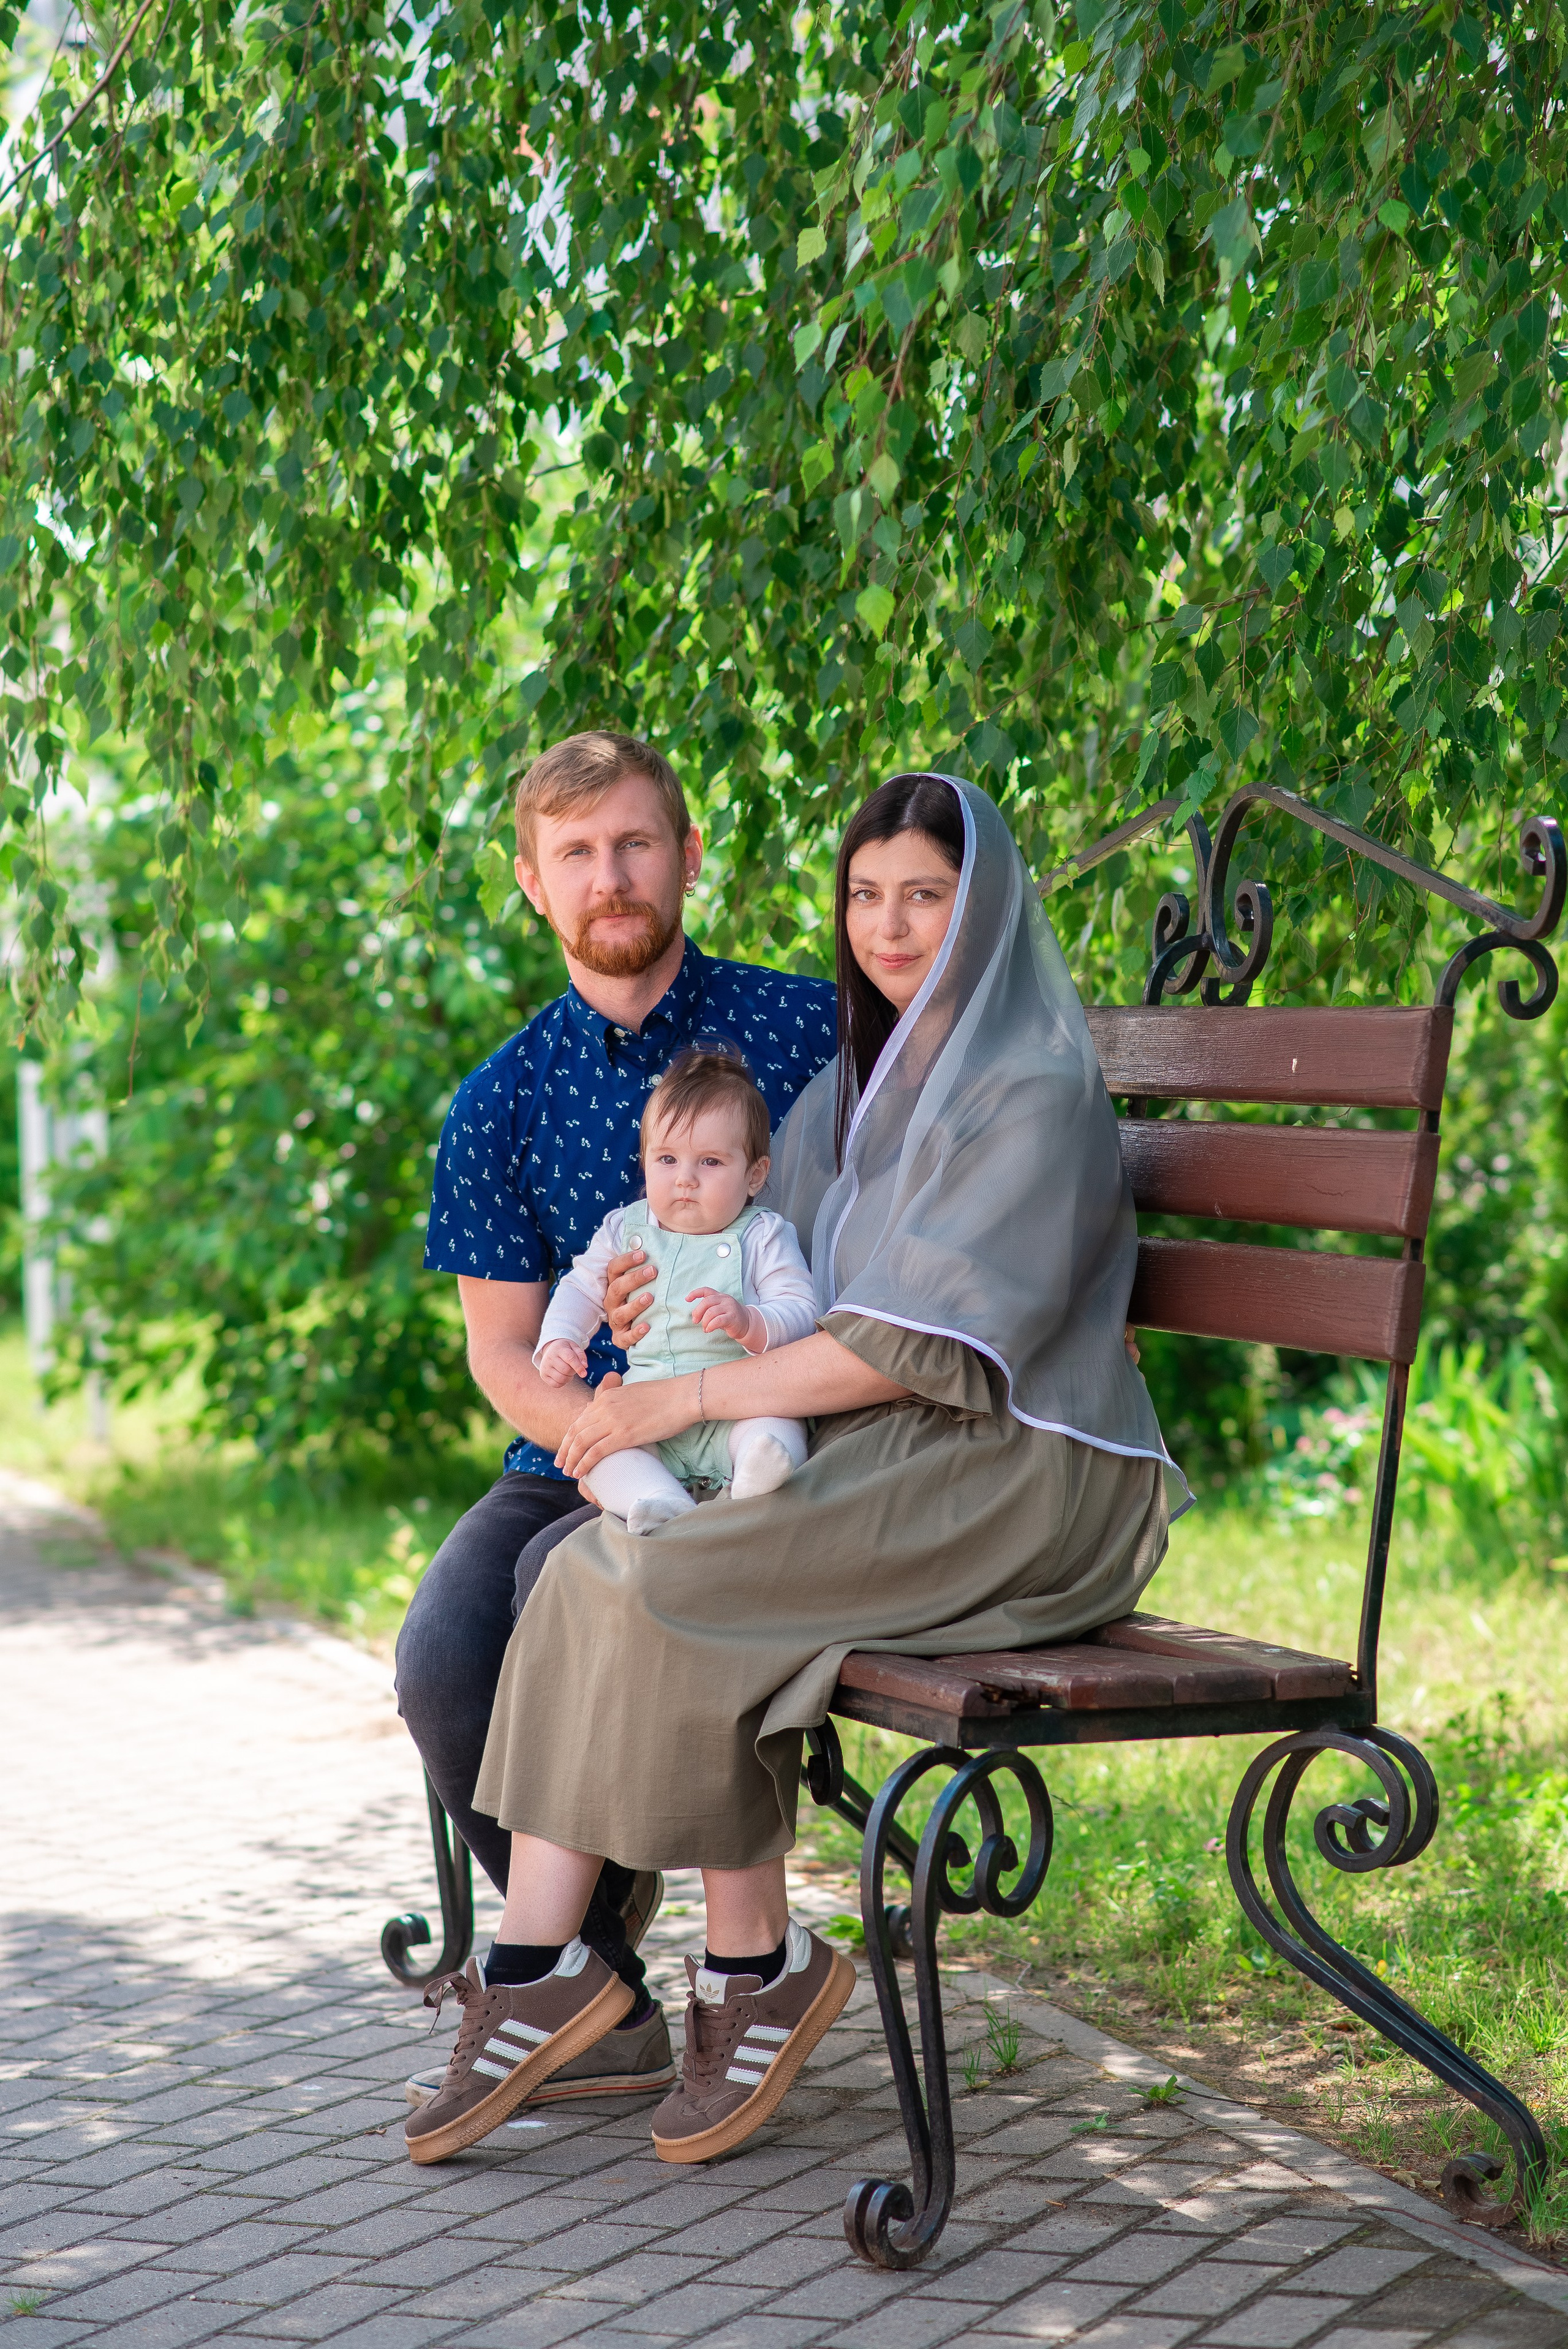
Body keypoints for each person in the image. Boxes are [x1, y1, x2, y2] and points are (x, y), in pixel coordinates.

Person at [402, 771, 1185, 2170]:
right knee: (588, 1565)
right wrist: (644, 1335)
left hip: (1023, 1476)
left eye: (926, 894)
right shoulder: (849, 1087)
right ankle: (583, 1965)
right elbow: (765, 1285)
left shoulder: (1023, 1082)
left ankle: (714, 1966)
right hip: (875, 1445)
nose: (889, 924)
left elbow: (908, 1343)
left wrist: (683, 1396)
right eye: (865, 893)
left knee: (658, 1576)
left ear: (983, 907)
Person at [395, 730, 836, 2104]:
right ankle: (603, 1980)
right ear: (534, 883)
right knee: (443, 1655)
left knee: (563, 1586)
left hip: (770, 1439)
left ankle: (604, 1969)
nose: (611, 876)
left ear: (687, 854)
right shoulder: (500, 1100)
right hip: (577, 1449)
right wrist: (595, 1428)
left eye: (636, 842)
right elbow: (501, 1350)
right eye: (576, 853)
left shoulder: (809, 1031)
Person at [535, 1047, 816, 1532]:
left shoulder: (763, 1234)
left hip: (740, 1404)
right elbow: (580, 1287)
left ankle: (755, 1476)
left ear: (755, 1173)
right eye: (667, 1158)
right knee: (600, 1453)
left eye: (710, 1161)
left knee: (776, 1428)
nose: (685, 1178)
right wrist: (560, 1338)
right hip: (646, 1413)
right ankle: (659, 1499)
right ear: (644, 1161)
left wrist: (751, 1321)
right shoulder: (626, 1228)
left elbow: (802, 1310)